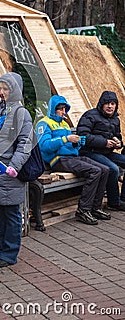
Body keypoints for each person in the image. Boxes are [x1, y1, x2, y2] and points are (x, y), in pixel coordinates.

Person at [0, 72, 33, 267]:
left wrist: (14, 166)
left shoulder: (22, 113)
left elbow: (24, 143)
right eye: (0, 88)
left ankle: (9, 253)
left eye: (6, 88)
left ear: (14, 90)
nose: (2, 92)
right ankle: (0, 249)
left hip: (10, 171)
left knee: (10, 213)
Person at [36, 94, 111, 225]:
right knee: (94, 171)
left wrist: (77, 143)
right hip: (58, 160)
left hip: (72, 157)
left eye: (65, 109)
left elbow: (70, 147)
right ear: (53, 109)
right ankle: (83, 210)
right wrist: (66, 139)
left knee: (105, 169)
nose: (63, 112)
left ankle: (95, 207)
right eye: (60, 109)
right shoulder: (44, 123)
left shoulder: (64, 124)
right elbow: (44, 145)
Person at [77, 91, 125, 210]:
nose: (110, 106)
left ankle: (123, 198)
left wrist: (118, 143)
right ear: (101, 104)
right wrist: (104, 143)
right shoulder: (90, 115)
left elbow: (118, 136)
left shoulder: (115, 119)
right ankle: (113, 203)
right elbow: (83, 135)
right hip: (89, 152)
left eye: (113, 103)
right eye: (107, 103)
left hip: (107, 153)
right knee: (113, 169)